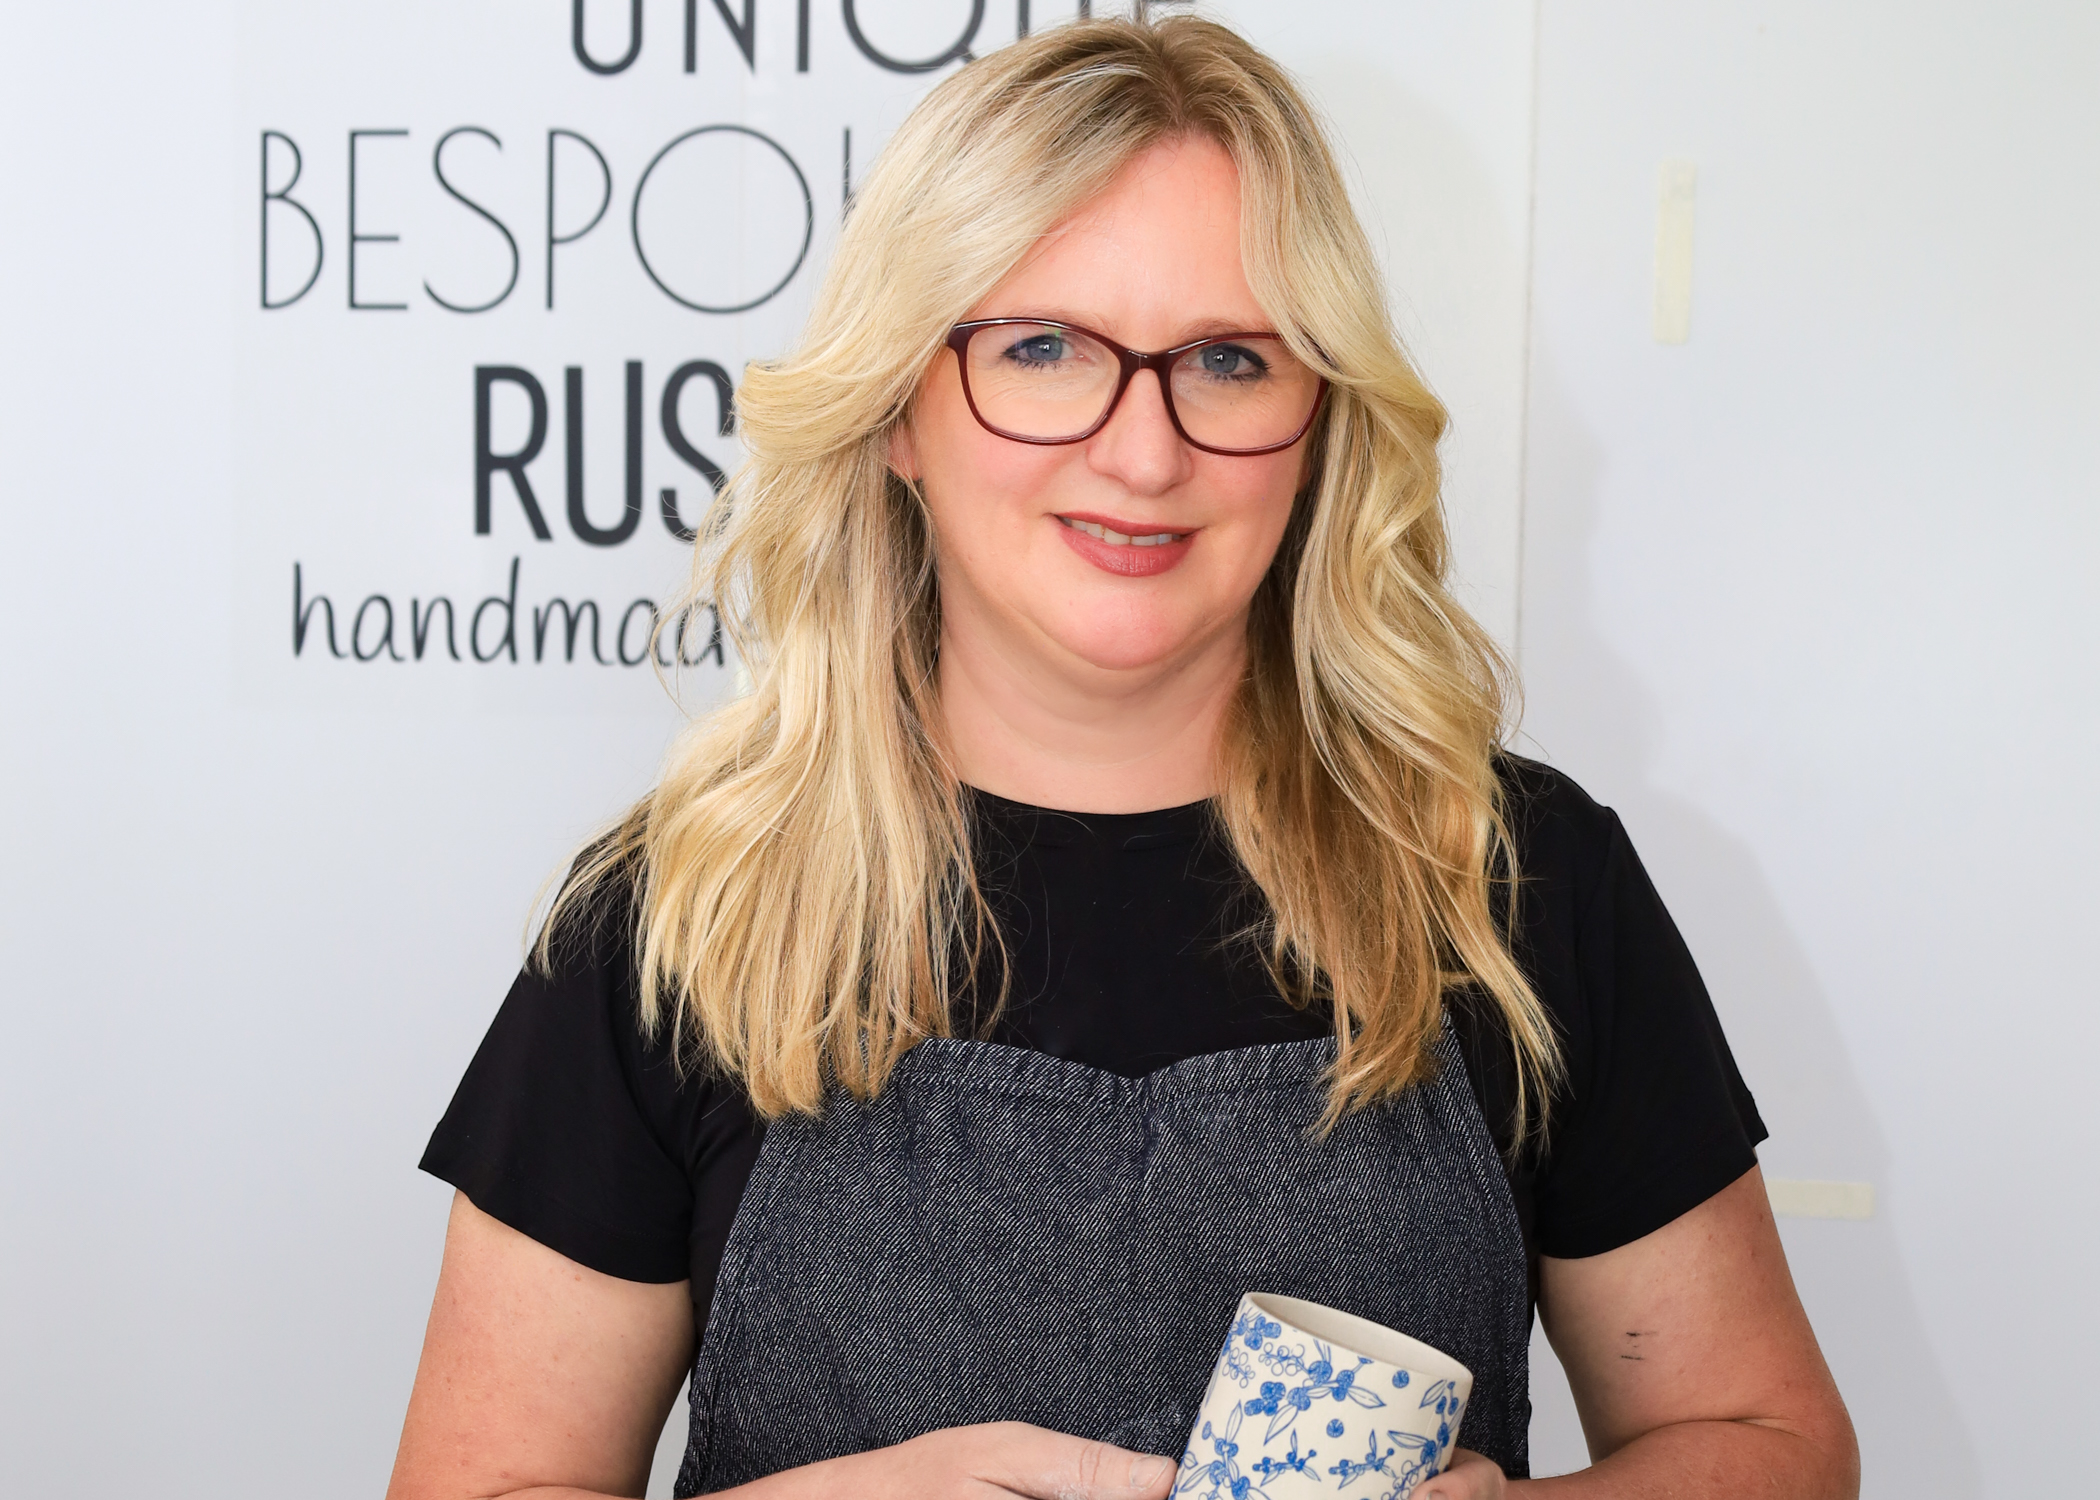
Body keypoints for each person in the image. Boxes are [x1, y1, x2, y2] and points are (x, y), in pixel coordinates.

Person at [386, 16, 1858, 1500]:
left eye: (1227, 360)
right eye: (1042, 348)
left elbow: (1771, 1451)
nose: (1145, 452)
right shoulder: (679, 917)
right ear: (900, 409)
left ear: (1322, 418)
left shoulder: (1518, 885)